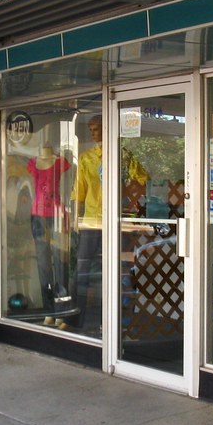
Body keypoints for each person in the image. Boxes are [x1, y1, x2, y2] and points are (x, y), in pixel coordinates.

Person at [70, 114, 147, 331]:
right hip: (93, 221)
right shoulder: (87, 158)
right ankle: (77, 318)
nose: (93, 133)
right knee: (83, 268)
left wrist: (127, 193)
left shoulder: (122, 156)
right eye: (91, 129)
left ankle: (113, 321)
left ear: (106, 127)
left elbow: (142, 180)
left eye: (97, 129)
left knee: (117, 269)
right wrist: (76, 219)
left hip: (116, 221)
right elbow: (79, 192)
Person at [27, 144, 71, 314]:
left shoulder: (60, 162)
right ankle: (48, 308)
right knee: (43, 262)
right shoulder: (32, 162)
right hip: (37, 215)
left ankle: (62, 306)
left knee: (60, 260)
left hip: (56, 214)